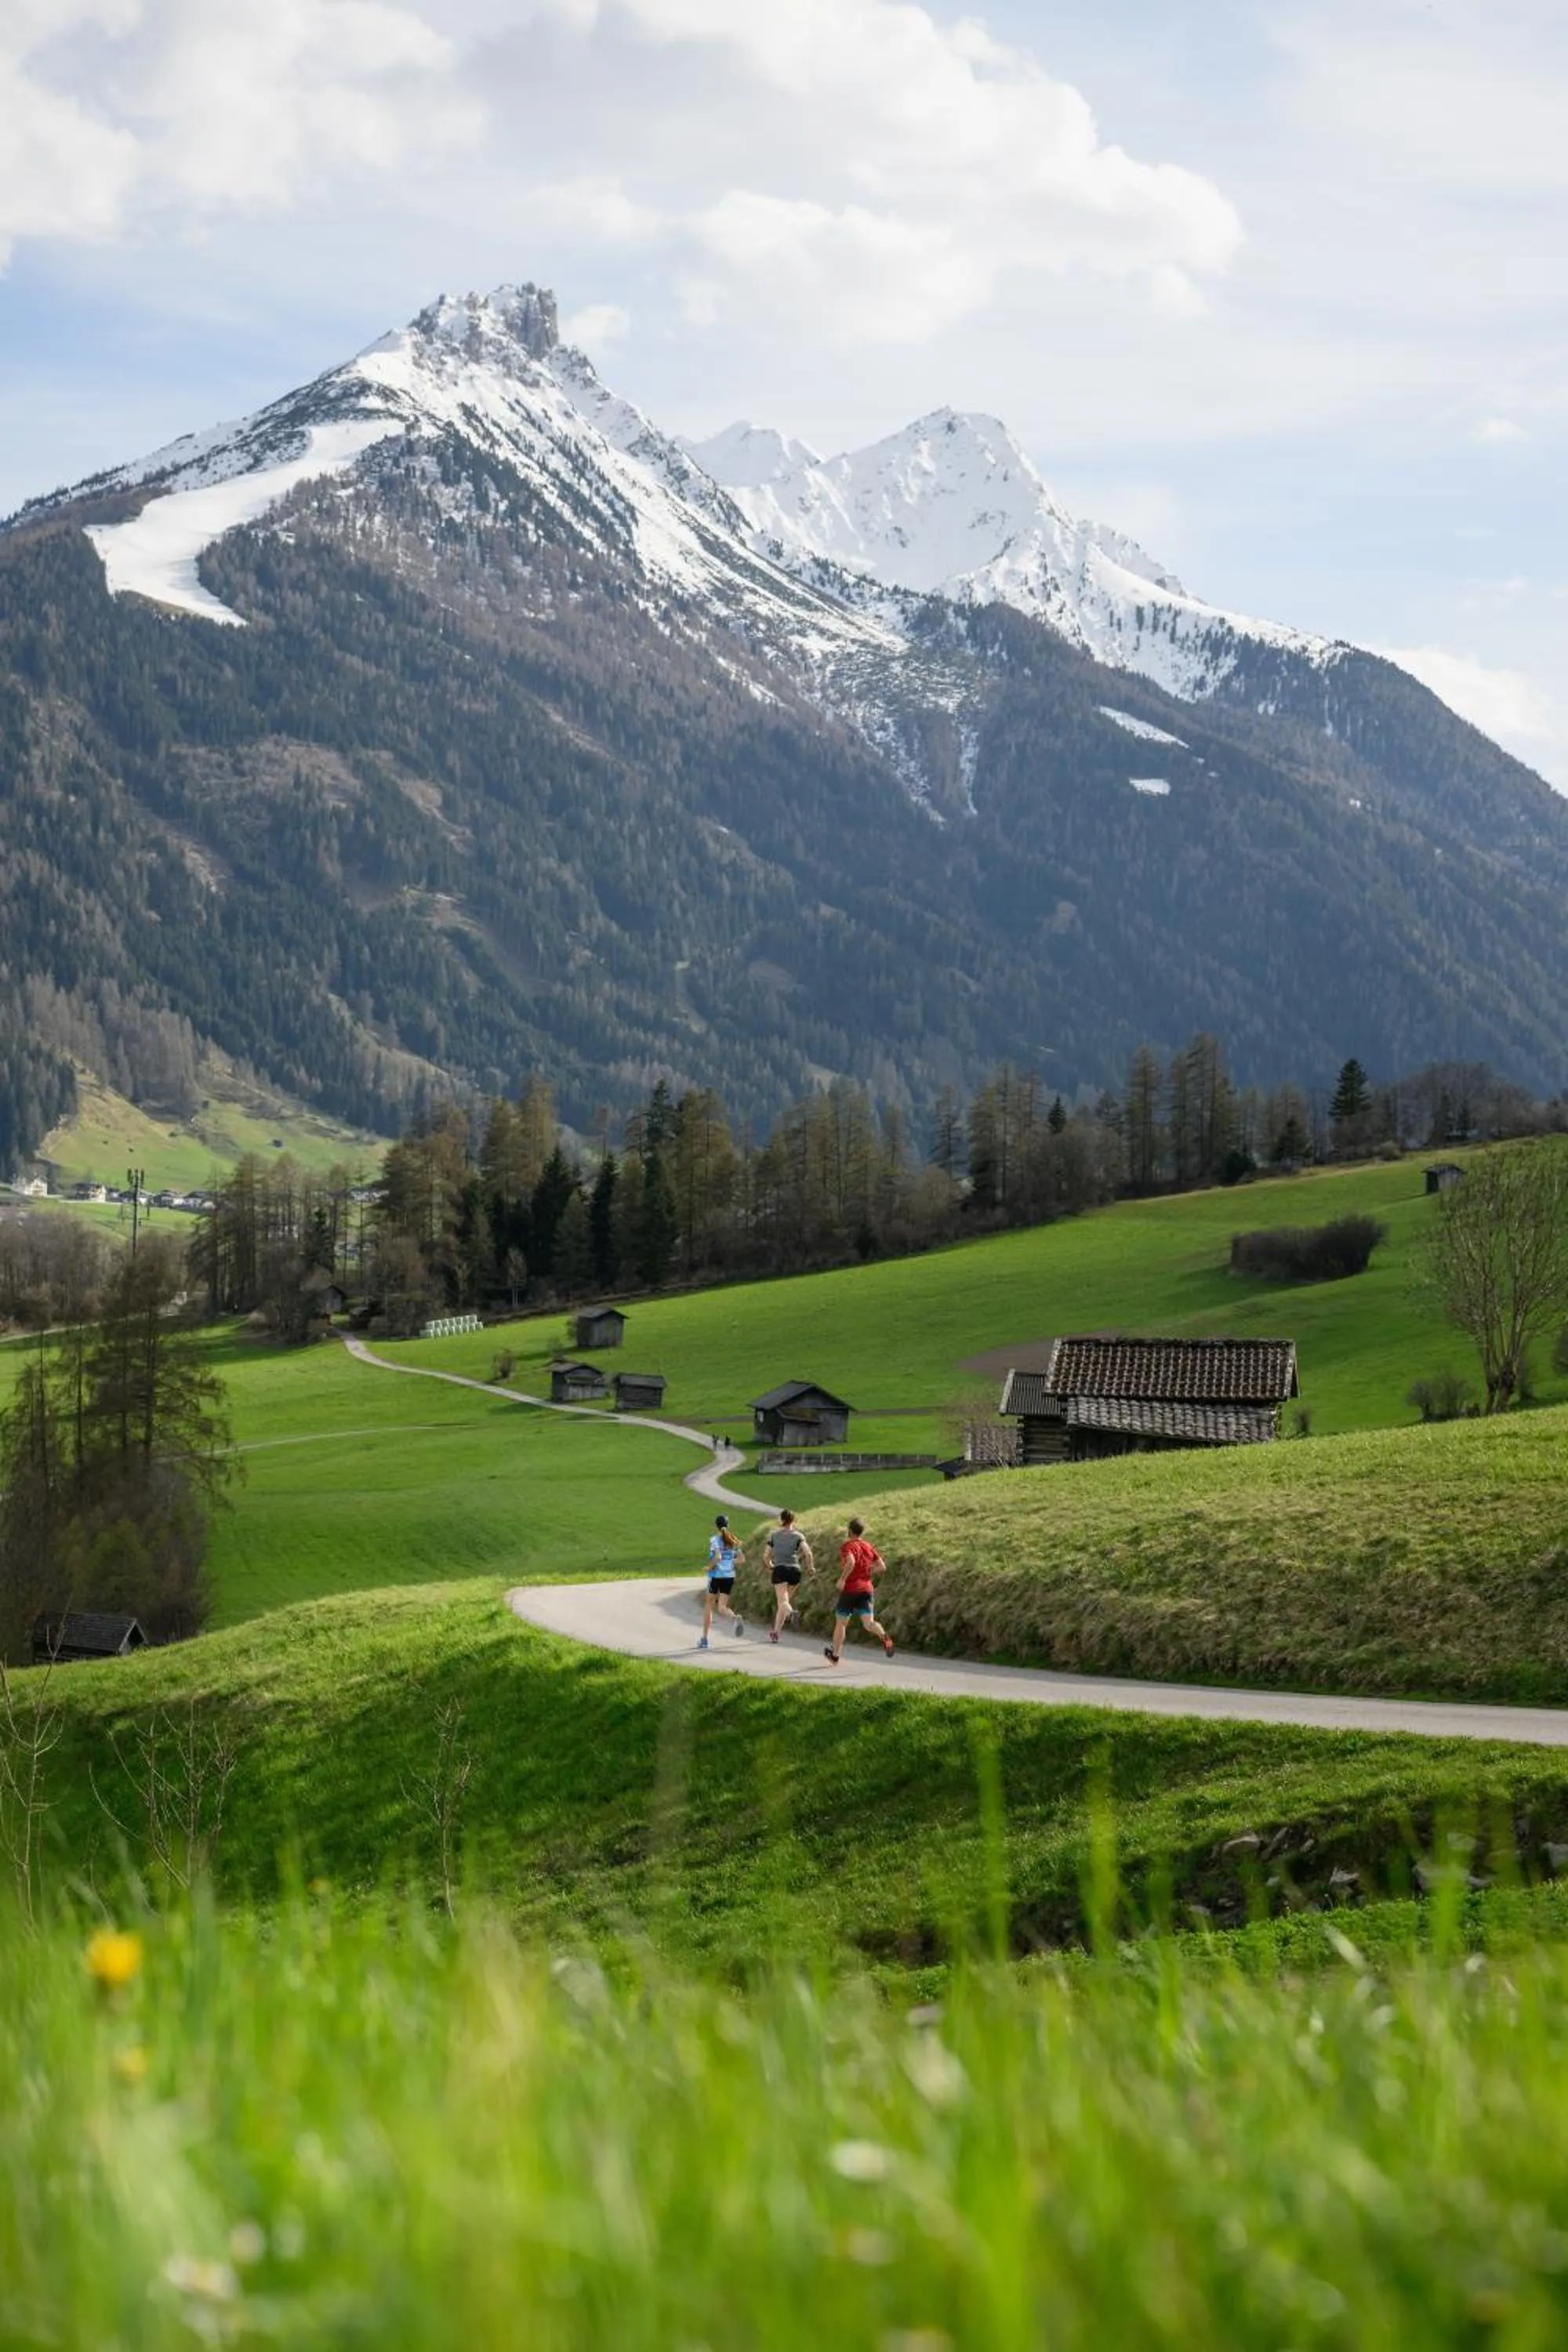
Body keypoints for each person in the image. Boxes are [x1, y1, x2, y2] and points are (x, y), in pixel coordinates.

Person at [824, 1516, 895, 1663]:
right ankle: (884, 1637)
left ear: (849, 1531)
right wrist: (867, 1571)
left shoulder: (847, 1546)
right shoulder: (869, 1546)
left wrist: (842, 1579)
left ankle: (835, 1655)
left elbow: (851, 1562)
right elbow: (882, 1567)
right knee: (869, 1623)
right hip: (866, 1589)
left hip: (850, 1589)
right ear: (862, 1532)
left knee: (841, 1623)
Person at [764, 1508, 815, 1642]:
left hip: (780, 1569)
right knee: (784, 1603)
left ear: (782, 1520)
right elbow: (808, 1553)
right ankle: (775, 1633)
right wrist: (811, 1567)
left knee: (783, 1602)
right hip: (795, 1571)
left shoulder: (774, 1535)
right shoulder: (799, 1536)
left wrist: (770, 1566)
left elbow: (766, 1556)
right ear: (793, 1520)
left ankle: (792, 1614)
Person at [699, 1513, 745, 1648]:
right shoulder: (734, 1540)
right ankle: (735, 1618)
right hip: (729, 1576)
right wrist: (730, 1561)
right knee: (722, 1607)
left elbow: (718, 1557)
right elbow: (742, 1560)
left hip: (716, 1576)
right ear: (728, 1525)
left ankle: (705, 1639)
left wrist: (709, 1567)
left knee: (709, 1605)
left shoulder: (715, 1540)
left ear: (716, 1526)